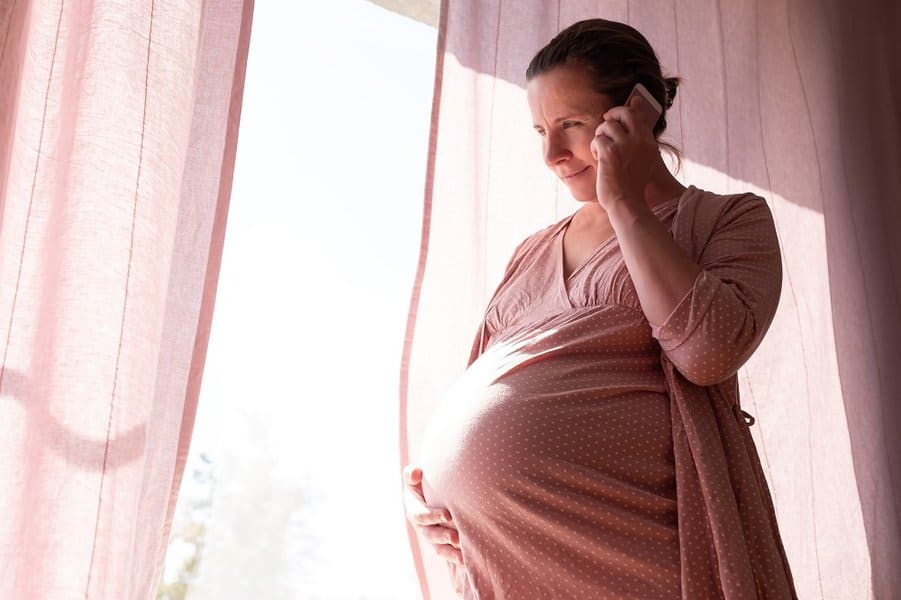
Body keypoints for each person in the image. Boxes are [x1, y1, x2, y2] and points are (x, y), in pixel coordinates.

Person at [403, 18, 797, 599]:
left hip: (638, 555)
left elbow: (710, 351)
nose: (551, 154)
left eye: (571, 125)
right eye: (539, 129)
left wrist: (623, 202)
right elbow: (484, 393)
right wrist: (438, 499)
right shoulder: (531, 252)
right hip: (509, 567)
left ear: (638, 111)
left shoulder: (726, 221)